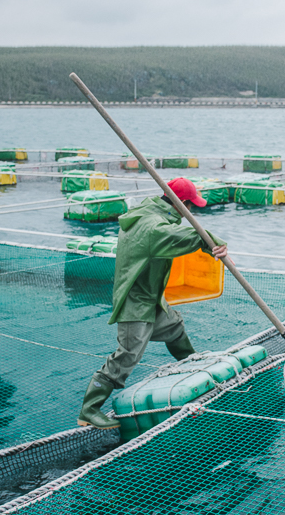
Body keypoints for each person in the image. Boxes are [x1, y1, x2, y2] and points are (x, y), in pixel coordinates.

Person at [77, 177, 228, 429]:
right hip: (135, 303)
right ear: (181, 204)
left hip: (150, 299)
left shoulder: (148, 211)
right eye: (190, 205)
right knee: (126, 357)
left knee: (174, 327)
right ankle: (89, 410)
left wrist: (210, 245)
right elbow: (177, 235)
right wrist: (214, 242)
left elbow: (172, 232)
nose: (190, 211)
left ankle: (192, 368)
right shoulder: (151, 227)